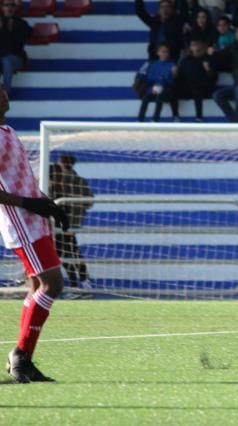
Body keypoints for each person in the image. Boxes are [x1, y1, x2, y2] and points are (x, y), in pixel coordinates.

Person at [0, 84, 70, 383]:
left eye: (3, 89)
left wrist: (47, 204)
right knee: (53, 283)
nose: (5, 94)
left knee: (39, 286)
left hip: (34, 219)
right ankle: (21, 356)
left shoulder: (8, 131)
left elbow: (21, 178)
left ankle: (21, 358)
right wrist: (30, 204)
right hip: (21, 222)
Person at [50, 154, 94, 289]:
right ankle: (83, 282)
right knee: (71, 252)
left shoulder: (62, 181)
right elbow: (89, 201)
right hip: (71, 223)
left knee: (65, 253)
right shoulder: (79, 180)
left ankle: (76, 284)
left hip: (61, 223)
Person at [177, 38, 218, 121]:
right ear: (190, 47)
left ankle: (199, 117)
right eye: (193, 45)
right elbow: (180, 77)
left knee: (196, 89)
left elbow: (214, 77)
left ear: (202, 46)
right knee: (172, 91)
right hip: (187, 89)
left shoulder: (208, 59)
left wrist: (208, 70)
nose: (196, 47)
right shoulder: (185, 60)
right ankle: (175, 116)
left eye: (198, 45)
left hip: (204, 89)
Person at [137, 44, 179, 122]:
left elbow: (172, 81)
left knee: (160, 96)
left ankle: (156, 119)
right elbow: (149, 79)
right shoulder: (153, 64)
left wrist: (174, 74)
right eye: (163, 52)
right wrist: (153, 88)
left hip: (167, 89)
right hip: (154, 88)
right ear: (158, 53)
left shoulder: (172, 64)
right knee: (146, 97)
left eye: (167, 52)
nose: (165, 54)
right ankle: (140, 119)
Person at [0, 0, 32, 94]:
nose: (9, 8)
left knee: (7, 61)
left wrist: (12, 31)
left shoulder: (21, 23)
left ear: (15, 8)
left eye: (12, 5)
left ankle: (5, 94)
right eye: (6, 5)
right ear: (2, 7)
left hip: (15, 57)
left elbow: (21, 41)